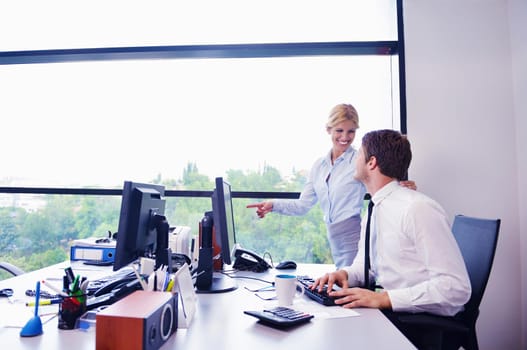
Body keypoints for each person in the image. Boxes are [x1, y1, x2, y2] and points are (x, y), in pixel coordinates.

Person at [311, 129, 471, 347]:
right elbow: (367, 266)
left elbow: (455, 288)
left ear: (372, 163)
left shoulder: (417, 208)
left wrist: (384, 299)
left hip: (420, 322)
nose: (354, 158)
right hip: (394, 314)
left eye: (359, 155)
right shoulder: (375, 207)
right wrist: (343, 274)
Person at [246, 104, 416, 268]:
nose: (345, 137)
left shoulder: (359, 161)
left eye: (351, 131)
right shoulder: (319, 166)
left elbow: (381, 184)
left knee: (353, 283)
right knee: (342, 281)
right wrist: (273, 205)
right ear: (328, 130)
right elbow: (302, 206)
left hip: (352, 233)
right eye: (339, 130)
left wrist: (401, 187)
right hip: (332, 236)